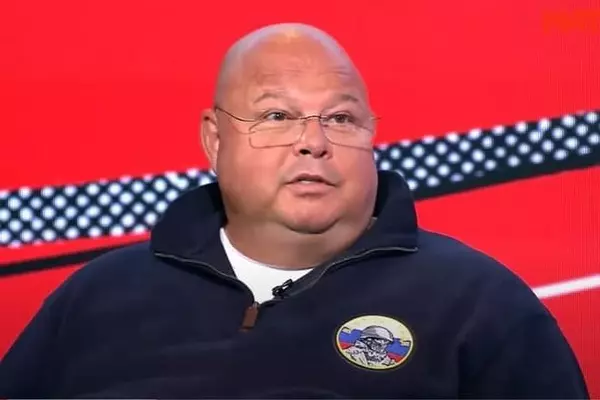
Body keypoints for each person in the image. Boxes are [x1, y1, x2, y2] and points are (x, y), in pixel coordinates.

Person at [0, 22, 590, 399]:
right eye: (277, 116)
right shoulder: (98, 299)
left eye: (341, 118)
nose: (313, 141)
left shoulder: (480, 304)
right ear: (214, 140)